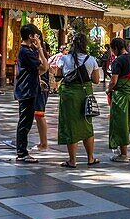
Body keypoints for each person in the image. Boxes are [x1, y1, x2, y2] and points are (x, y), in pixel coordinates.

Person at [54, 32, 99, 167]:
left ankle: (72, 160)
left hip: (68, 96)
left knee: (71, 126)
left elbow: (58, 76)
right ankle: (90, 158)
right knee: (86, 125)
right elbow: (96, 80)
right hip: (85, 95)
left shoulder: (64, 59)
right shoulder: (91, 60)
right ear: (85, 44)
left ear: (72, 44)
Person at [14, 24, 49, 163]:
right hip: (26, 90)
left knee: (26, 121)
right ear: (30, 36)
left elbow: (40, 70)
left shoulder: (28, 50)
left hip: (29, 88)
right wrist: (40, 48)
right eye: (36, 35)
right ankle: (22, 152)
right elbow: (45, 67)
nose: (37, 38)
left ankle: (22, 151)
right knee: (25, 122)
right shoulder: (26, 52)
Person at [106, 38, 130, 162]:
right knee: (127, 122)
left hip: (122, 96)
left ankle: (124, 154)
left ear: (115, 48)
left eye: (112, 49)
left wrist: (108, 89)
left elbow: (114, 81)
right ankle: (123, 151)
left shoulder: (118, 61)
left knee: (120, 123)